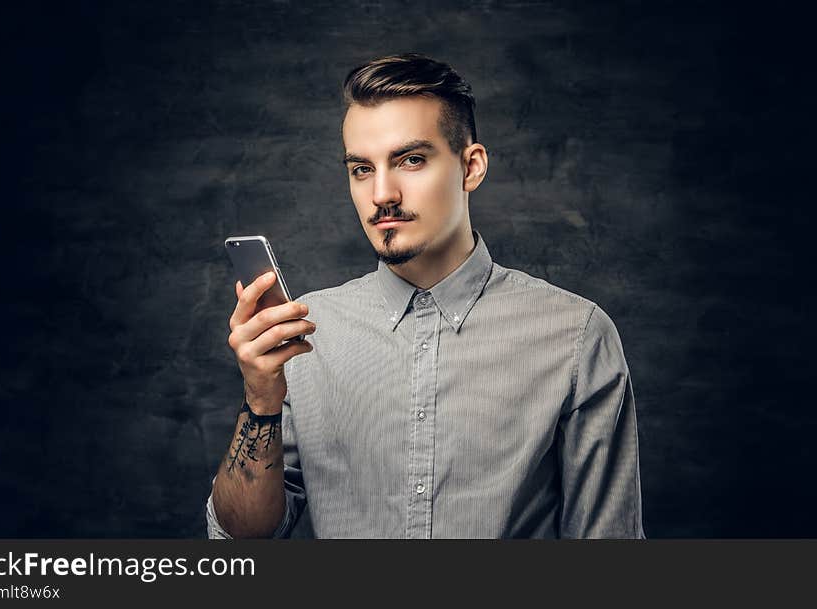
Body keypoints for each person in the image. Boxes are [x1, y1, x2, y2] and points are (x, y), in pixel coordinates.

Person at [206, 53, 645, 538]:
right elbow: (240, 542)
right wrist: (260, 401)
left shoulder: (575, 336)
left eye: (410, 160)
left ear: (470, 166)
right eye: (361, 169)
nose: (382, 194)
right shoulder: (304, 334)